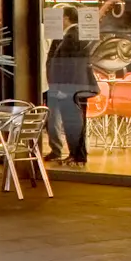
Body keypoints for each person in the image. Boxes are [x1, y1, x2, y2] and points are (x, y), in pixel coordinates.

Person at [43, 9, 95, 164]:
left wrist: (64, 88)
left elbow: (72, 65)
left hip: (71, 87)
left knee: (74, 122)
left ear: (66, 18)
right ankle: (75, 154)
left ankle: (77, 155)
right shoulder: (69, 35)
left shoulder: (73, 35)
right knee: (72, 122)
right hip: (71, 86)